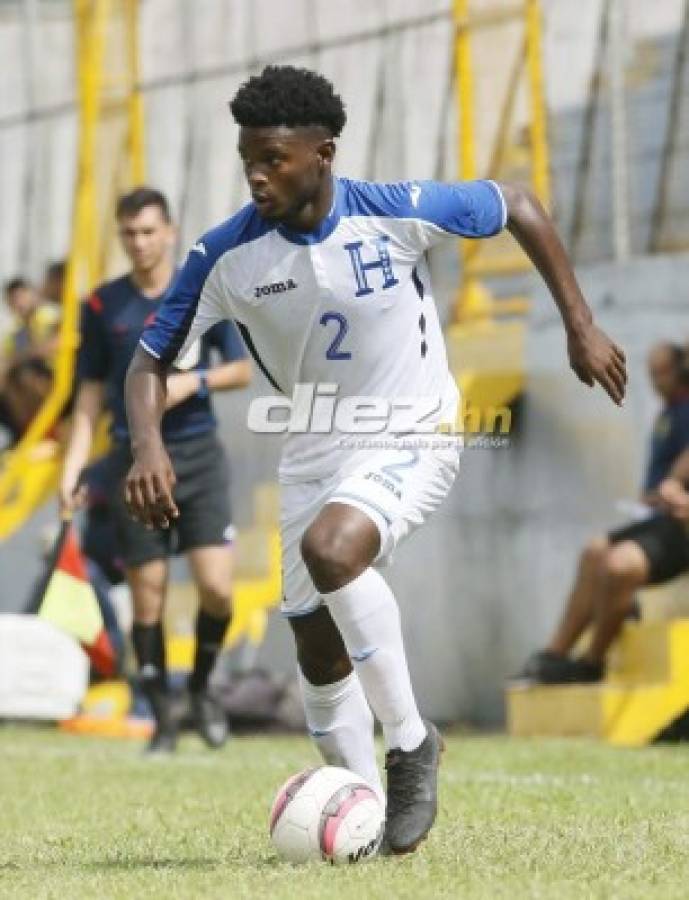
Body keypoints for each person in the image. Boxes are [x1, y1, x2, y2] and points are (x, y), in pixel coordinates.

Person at [123, 66, 626, 853]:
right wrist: (146, 444)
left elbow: (519, 204)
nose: (257, 174)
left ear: (322, 153)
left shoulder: (391, 212)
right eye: (247, 158)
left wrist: (579, 323)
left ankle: (410, 742)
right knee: (316, 652)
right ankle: (361, 823)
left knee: (333, 548)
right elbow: (149, 360)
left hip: (414, 430)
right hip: (313, 448)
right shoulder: (223, 255)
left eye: (275, 159)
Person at [59, 186, 252, 754]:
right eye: (129, 233)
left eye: (148, 231)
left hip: (196, 455)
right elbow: (89, 396)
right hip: (132, 461)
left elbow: (241, 370)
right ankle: (163, 721)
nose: (139, 243)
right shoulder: (102, 306)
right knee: (149, 596)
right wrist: (73, 467)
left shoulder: (201, 292)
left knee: (217, 589)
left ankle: (200, 689)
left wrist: (197, 381)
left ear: (169, 232)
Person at [519, 342, 689, 685]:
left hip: (681, 529)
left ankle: (592, 662)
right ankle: (556, 653)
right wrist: (660, 491)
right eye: (651, 374)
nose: (656, 382)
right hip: (660, 521)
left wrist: (674, 484)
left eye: (662, 373)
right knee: (594, 551)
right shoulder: (669, 413)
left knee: (617, 566)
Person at [0, 277, 60, 444]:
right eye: (13, 300)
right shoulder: (15, 333)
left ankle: (43, 432)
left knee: (24, 376)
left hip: (56, 378)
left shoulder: (50, 316)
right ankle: (27, 433)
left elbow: (56, 344)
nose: (19, 303)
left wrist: (20, 356)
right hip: (31, 381)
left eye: (21, 296)